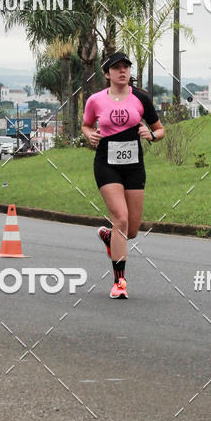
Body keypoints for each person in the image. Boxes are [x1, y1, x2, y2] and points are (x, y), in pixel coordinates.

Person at [81, 52, 165, 299]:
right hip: (106, 164)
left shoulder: (141, 98)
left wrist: (151, 135)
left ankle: (109, 237)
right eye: (116, 68)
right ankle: (119, 282)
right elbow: (86, 125)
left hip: (134, 166)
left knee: (132, 230)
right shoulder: (95, 100)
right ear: (107, 74)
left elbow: (160, 129)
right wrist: (89, 135)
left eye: (125, 67)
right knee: (120, 217)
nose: (122, 71)